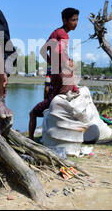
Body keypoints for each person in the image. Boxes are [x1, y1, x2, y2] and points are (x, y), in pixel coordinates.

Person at [28, 8, 79, 140]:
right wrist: (67, 62)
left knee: (52, 104)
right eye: (73, 20)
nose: (76, 23)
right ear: (64, 20)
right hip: (64, 76)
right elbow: (61, 53)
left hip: (60, 76)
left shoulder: (56, 33)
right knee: (61, 103)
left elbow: (43, 50)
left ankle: (31, 138)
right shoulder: (63, 35)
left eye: (77, 19)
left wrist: (53, 63)